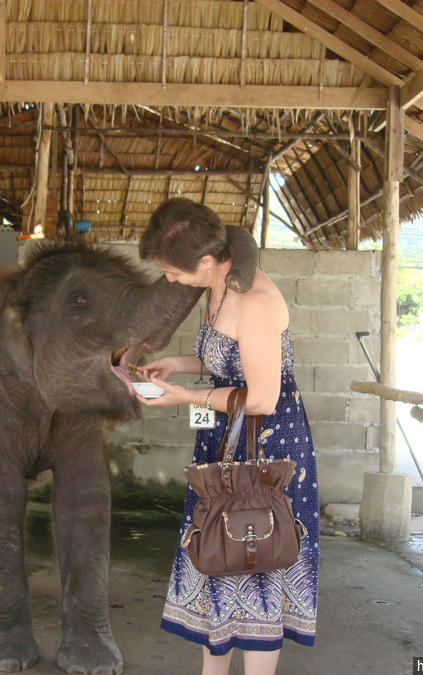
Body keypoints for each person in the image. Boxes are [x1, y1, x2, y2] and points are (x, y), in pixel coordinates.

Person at [135, 198, 318, 675]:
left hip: (265, 449)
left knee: (254, 559)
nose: (170, 281)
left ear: (206, 261)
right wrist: (179, 365)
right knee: (216, 553)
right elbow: (225, 361)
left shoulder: (255, 301)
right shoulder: (218, 287)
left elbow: (261, 398)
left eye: (172, 272)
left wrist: (184, 398)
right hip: (225, 440)